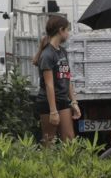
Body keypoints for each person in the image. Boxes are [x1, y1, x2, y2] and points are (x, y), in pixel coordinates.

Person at [33, 13, 78, 145]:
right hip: (48, 103)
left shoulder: (62, 51)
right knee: (49, 142)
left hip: (62, 100)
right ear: (60, 30)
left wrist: (74, 101)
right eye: (67, 30)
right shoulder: (47, 55)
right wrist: (53, 111)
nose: (68, 34)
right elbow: (49, 85)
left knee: (69, 140)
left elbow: (67, 77)